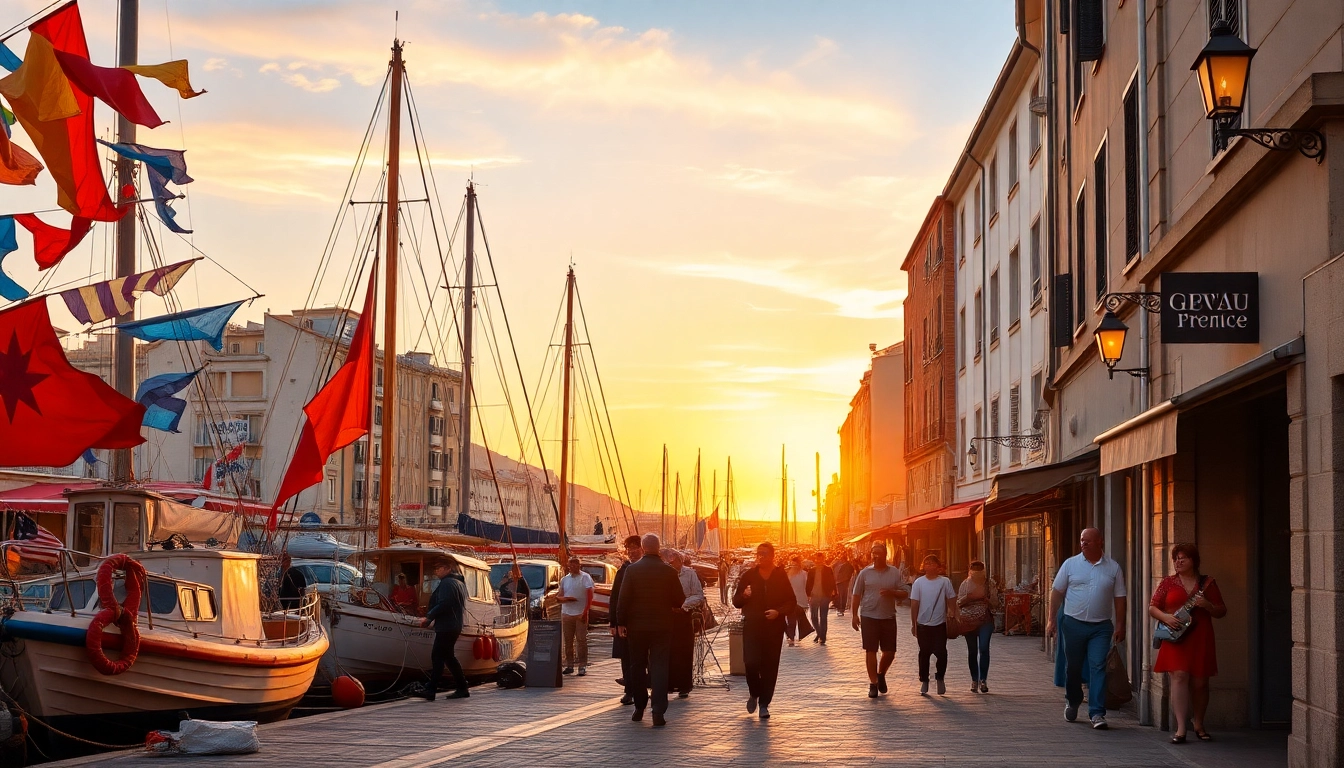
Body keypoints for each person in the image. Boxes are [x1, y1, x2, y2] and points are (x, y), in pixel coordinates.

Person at [1046, 527, 1127, 730]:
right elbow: (1056, 593)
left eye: (1088, 540)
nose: (1084, 544)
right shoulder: (1070, 565)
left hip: (1100, 627)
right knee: (1073, 668)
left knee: (1098, 666)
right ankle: (1073, 701)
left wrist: (1120, 625)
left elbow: (1120, 599)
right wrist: (1051, 619)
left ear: (1100, 542)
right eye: (1082, 540)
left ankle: (1097, 712)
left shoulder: (1113, 568)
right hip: (1073, 624)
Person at [1150, 543, 1226, 743]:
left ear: (1194, 561)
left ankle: (1198, 723)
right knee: (1179, 677)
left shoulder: (1207, 583)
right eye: (1176, 558)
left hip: (1200, 636)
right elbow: (1153, 607)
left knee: (1200, 682)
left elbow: (1221, 610)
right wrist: (1166, 618)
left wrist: (1207, 605)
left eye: (1183, 558)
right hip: (1176, 636)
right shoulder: (1168, 583)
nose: (1179, 561)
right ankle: (1181, 728)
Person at [614, 533, 684, 727]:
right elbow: (680, 599)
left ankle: (639, 707)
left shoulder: (632, 571)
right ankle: (658, 711)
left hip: (637, 627)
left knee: (637, 666)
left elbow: (623, 599)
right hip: (662, 626)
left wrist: (621, 623)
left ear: (643, 548)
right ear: (659, 548)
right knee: (660, 667)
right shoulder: (669, 571)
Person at [732, 541, 795, 720]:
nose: (760, 556)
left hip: (773, 629)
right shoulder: (748, 575)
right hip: (752, 626)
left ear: (772, 556)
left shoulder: (780, 576)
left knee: (769, 666)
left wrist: (778, 612)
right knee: (751, 662)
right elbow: (736, 602)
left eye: (764, 553)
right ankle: (754, 692)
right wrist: (744, 596)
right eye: (759, 553)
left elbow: (791, 602)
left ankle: (764, 704)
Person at [850, 541, 908, 698]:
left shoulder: (894, 572)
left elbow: (905, 592)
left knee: (889, 652)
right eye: (873, 552)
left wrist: (893, 592)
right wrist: (854, 615)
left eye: (879, 552)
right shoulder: (865, 573)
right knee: (871, 650)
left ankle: (881, 673)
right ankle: (873, 683)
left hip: (888, 616)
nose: (876, 555)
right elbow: (856, 594)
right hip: (869, 615)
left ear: (885, 554)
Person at [412, 558, 469, 700]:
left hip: (447, 626)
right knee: (448, 657)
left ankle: (431, 690)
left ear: (448, 568)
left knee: (437, 656)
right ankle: (462, 688)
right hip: (453, 625)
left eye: (439, 568)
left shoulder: (447, 583)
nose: (436, 571)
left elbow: (445, 603)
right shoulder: (459, 582)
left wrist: (429, 617)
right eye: (436, 568)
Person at [908, 553, 956, 696]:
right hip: (923, 624)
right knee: (924, 653)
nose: (929, 565)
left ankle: (940, 677)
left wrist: (953, 613)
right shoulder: (919, 583)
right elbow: (914, 604)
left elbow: (951, 598)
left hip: (939, 623)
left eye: (932, 563)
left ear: (938, 566)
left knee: (941, 652)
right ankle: (924, 680)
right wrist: (913, 623)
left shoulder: (944, 582)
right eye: (926, 563)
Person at [609, 535, 643, 706]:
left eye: (634, 548)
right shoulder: (623, 569)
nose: (631, 552)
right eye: (628, 549)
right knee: (627, 658)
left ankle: (641, 689)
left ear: (642, 548)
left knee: (643, 658)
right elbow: (615, 597)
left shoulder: (645, 568)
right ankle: (629, 691)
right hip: (625, 623)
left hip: (643, 622)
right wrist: (613, 623)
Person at [667, 549, 705, 698]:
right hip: (668, 616)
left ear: (680, 561)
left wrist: (684, 604)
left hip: (684, 616)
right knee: (668, 651)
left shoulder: (689, 574)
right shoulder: (666, 574)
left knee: (684, 650)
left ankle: (684, 685)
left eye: (674, 561)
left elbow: (698, 595)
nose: (671, 563)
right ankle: (668, 684)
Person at [957, 560, 1000, 693]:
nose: (976, 572)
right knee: (972, 651)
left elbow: (996, 603)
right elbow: (958, 602)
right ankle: (974, 680)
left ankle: (983, 680)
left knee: (984, 648)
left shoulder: (989, 584)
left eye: (979, 569)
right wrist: (968, 598)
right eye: (974, 569)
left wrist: (987, 600)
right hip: (968, 621)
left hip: (985, 620)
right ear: (970, 570)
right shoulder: (965, 584)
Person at [558, 556, 594, 677]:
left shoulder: (585, 578)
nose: (573, 567)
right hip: (567, 612)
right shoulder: (564, 579)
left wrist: (586, 611)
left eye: (575, 564)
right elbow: (559, 596)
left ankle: (582, 665)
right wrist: (565, 599)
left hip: (580, 612)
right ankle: (569, 665)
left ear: (579, 565)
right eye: (571, 565)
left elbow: (590, 594)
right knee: (568, 641)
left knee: (581, 640)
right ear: (568, 566)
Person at [805, 553, 835, 645]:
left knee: (823, 617)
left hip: (824, 596)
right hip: (814, 596)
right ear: (815, 560)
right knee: (813, 617)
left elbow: (832, 581)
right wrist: (808, 595)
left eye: (821, 559)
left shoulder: (828, 569)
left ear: (823, 559)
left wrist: (832, 593)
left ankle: (823, 637)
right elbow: (808, 583)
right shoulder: (812, 570)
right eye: (817, 559)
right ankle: (819, 633)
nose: (819, 561)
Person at [784, 556, 809, 647]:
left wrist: (808, 597)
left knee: (800, 619)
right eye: (792, 564)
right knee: (791, 620)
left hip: (801, 599)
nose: (794, 566)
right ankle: (791, 636)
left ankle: (794, 635)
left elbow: (807, 586)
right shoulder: (787, 574)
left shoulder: (804, 574)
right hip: (790, 600)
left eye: (795, 564)